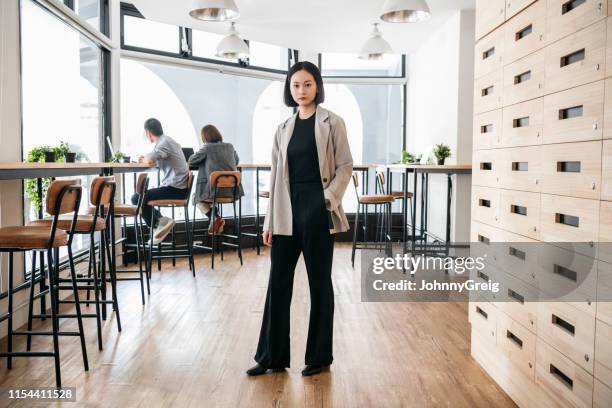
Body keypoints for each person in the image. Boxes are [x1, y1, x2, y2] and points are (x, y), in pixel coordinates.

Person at [246, 61, 353, 377]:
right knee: (278, 282)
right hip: (285, 212)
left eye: (307, 84)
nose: (301, 91)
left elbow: (345, 165)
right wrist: (268, 222)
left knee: (320, 283)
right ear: (289, 90)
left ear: (317, 86)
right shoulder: (283, 128)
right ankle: (270, 356)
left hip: (318, 209)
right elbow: (276, 178)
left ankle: (319, 356)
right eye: (296, 85)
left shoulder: (332, 122)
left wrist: (327, 199)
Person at [133, 118, 190, 244]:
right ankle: (160, 223)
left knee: (137, 198)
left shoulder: (163, 142)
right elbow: (154, 158)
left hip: (175, 189)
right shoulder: (167, 140)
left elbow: (150, 159)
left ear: (148, 133)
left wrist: (144, 159)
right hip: (180, 188)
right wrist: (148, 158)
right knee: (140, 197)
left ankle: (159, 223)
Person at [188, 124, 244, 234]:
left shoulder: (206, 148)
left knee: (195, 198)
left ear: (205, 137)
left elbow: (191, 161)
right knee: (207, 198)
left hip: (213, 192)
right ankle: (215, 218)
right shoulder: (230, 147)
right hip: (232, 192)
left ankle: (214, 215)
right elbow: (236, 161)